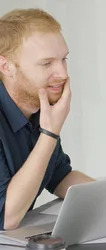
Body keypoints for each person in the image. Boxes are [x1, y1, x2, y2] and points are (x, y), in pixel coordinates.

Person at [0, 9, 94, 230]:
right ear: (6, 67)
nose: (62, 73)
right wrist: (50, 133)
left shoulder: (39, 110)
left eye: (64, 59)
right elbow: (6, 217)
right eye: (46, 64)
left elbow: (60, 178)